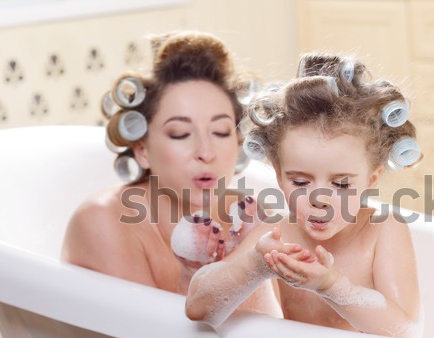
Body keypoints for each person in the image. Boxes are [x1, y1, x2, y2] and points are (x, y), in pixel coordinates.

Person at [184, 52, 423, 338]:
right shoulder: (278, 234)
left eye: (341, 184)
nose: (318, 199)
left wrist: (333, 287)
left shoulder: (383, 230)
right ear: (279, 175)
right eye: (300, 181)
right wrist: (254, 266)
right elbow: (198, 307)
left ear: (371, 180)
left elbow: (406, 332)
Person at [61, 31, 280, 318]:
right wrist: (194, 278)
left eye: (220, 132)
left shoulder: (247, 215)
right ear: (142, 150)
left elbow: (277, 335)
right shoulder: (101, 221)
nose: (206, 151)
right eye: (180, 134)